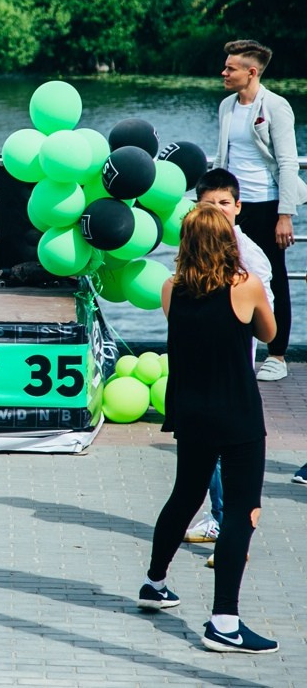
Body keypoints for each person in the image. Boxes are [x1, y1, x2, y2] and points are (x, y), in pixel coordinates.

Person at [139, 204, 278, 654]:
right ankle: (225, 621)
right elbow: (270, 333)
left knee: (185, 494)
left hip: (190, 410)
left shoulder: (170, 288)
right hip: (236, 412)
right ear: (227, 242)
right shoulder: (246, 287)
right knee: (243, 511)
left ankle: (154, 582)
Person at [182, 170, 273, 548]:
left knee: (224, 454)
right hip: (198, 370)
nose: (217, 211)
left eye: (223, 203)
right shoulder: (190, 252)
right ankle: (220, 518)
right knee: (206, 458)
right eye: (208, 204)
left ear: (238, 207)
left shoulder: (251, 258)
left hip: (233, 369)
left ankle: (224, 523)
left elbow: (264, 322)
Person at [214, 40, 302, 383]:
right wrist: (210, 203)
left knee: (273, 277)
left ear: (251, 72)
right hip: (231, 207)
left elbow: (287, 161)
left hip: (267, 206)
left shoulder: (276, 106)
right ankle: (236, 349)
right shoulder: (226, 107)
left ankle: (276, 355)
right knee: (226, 276)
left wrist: (285, 214)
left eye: (230, 68)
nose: (224, 72)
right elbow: (223, 158)